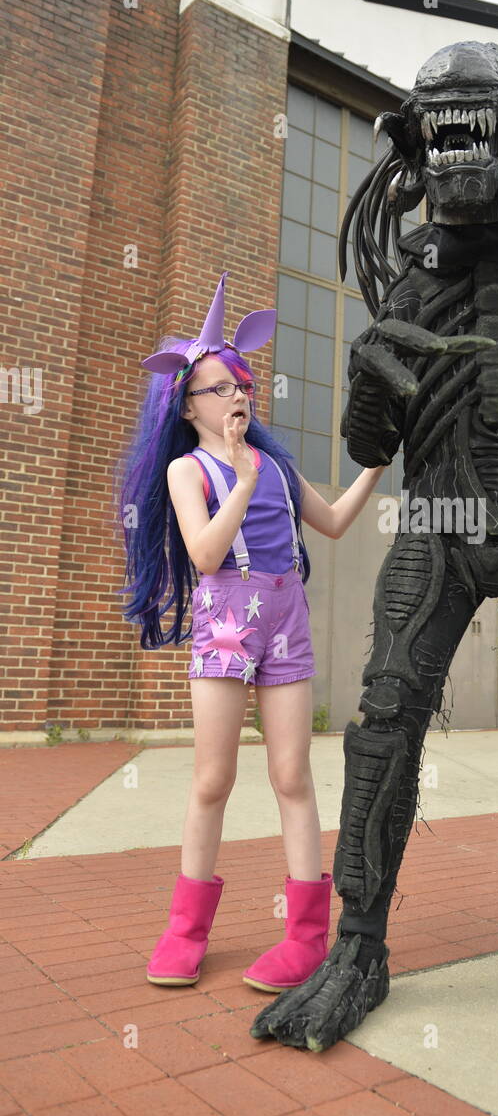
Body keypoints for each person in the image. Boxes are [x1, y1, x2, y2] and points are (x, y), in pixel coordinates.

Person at [115, 271, 386, 993]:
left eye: (242, 381)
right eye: (220, 386)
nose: (238, 393)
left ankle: (305, 937)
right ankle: (185, 930)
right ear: (188, 402)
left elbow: (328, 523)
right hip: (226, 619)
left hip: (286, 615)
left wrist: (375, 468)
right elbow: (204, 555)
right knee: (213, 778)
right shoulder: (187, 469)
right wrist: (235, 478)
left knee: (292, 774)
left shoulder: (277, 466)